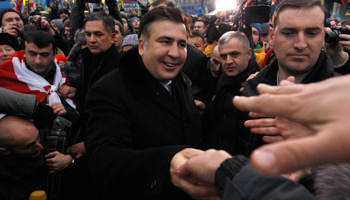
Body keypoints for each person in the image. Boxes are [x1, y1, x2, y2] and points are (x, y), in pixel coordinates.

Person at [86, 7, 216, 200]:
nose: (175, 53)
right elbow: (105, 161)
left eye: (182, 44)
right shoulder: (108, 91)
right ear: (141, 46)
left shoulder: (183, 83)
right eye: (165, 42)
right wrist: (169, 162)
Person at [241, 0, 339, 150]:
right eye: (288, 33)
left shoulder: (343, 99)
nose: (300, 44)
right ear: (272, 37)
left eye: (311, 33)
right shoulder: (250, 91)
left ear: (323, 38)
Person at [0, 30, 79, 129]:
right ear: (24, 52)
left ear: (54, 54)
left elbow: (77, 121)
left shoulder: (61, 80)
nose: (38, 61)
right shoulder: (4, 74)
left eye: (44, 55)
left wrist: (65, 113)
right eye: (32, 54)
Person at [198, 31, 259, 156]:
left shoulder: (259, 85)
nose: (228, 61)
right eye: (223, 56)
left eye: (234, 54)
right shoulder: (224, 79)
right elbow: (225, 117)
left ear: (248, 54)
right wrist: (206, 107)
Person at [0, 115, 74, 200]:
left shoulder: (43, 134)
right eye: (29, 146)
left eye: (38, 137)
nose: (40, 147)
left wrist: (70, 159)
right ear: (4, 151)